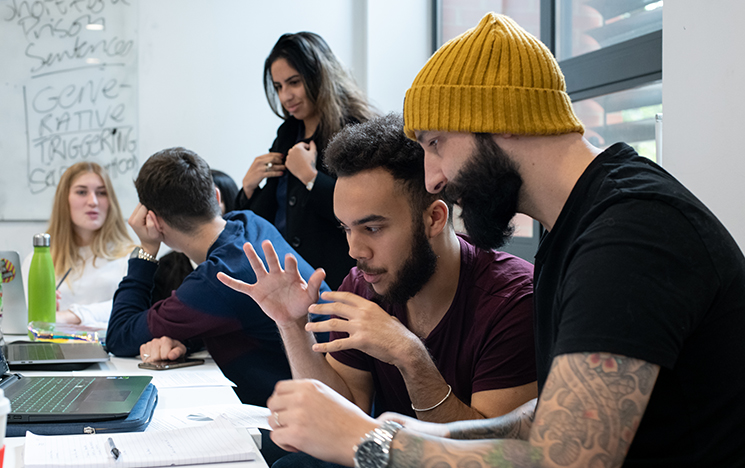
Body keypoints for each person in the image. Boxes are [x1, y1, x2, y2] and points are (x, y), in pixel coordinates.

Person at [259, 13, 745, 468]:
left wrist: (366, 443)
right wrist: (412, 431)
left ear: (504, 115)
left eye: (436, 143)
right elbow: (546, 418)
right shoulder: (574, 230)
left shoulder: (631, 235)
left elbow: (563, 461)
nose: (433, 179)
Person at [220, 113, 537, 465]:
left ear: (434, 218)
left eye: (371, 229)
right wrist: (291, 324)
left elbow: (494, 456)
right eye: (346, 229)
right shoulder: (362, 284)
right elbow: (345, 407)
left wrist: (412, 358)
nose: (355, 251)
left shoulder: (512, 300)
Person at [106, 147, 330, 406]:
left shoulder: (217, 280)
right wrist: (183, 338)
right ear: (215, 195)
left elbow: (119, 336)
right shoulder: (250, 222)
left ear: (154, 222)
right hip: (346, 391)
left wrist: (146, 251)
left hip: (303, 417)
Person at [236, 31, 377, 290]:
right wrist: (247, 189)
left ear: (318, 76)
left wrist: (311, 179)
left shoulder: (353, 128)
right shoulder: (288, 132)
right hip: (288, 282)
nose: (285, 96)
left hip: (336, 282)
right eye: (279, 87)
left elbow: (364, 210)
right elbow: (262, 217)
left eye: (294, 82)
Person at [23, 162, 133, 328]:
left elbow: (131, 307)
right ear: (64, 200)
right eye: (82, 192)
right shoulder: (38, 260)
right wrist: (42, 310)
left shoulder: (131, 256)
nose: (93, 201)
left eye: (102, 193)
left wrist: (69, 316)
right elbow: (24, 316)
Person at [151, 169, 240, 303]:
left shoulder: (242, 260)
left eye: (207, 200)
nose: (198, 209)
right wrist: (147, 249)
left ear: (218, 197)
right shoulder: (166, 266)